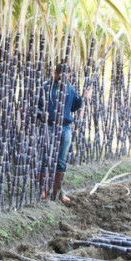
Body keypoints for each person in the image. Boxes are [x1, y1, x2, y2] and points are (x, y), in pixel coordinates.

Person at [38, 63, 91, 203]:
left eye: (66, 76)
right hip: (49, 127)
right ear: (55, 73)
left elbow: (74, 106)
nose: (63, 79)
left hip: (65, 127)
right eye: (60, 75)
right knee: (46, 157)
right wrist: (41, 114)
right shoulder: (45, 87)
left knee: (61, 161)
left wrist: (83, 99)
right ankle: (42, 190)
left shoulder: (69, 87)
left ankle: (57, 192)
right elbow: (36, 107)